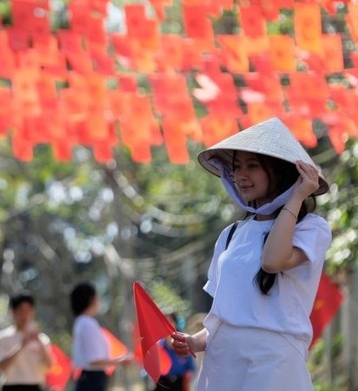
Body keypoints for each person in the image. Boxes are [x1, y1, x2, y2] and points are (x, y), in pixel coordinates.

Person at [171, 117, 332, 391]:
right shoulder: (231, 235)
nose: (241, 176)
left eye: (253, 166)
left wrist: (296, 197)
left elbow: (272, 261)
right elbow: (226, 313)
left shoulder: (311, 228)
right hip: (222, 365)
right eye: (236, 167)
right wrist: (197, 340)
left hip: (273, 365)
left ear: (280, 172)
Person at [70, 282, 132, 391]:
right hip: (92, 380)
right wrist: (120, 361)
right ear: (91, 299)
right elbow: (94, 360)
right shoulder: (87, 324)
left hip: (89, 379)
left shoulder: (82, 322)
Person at [0, 293, 54, 391]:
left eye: (28, 311)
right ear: (13, 312)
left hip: (35, 387)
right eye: (21, 311)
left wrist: (39, 342)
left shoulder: (42, 339)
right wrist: (22, 345)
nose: (25, 315)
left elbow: (49, 365)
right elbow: (0, 366)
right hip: (11, 387)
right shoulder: (2, 338)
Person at [153, 313, 194, 391]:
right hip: (162, 385)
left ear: (175, 323)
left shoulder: (183, 344)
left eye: (170, 321)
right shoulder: (157, 347)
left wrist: (187, 378)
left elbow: (190, 368)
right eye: (164, 321)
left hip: (180, 384)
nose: (167, 324)